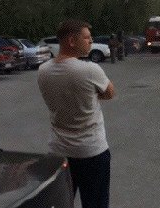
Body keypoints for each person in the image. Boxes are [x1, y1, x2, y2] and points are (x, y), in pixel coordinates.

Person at [38, 20, 115, 208]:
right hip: (91, 151)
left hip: (58, 151)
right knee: (95, 203)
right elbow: (110, 92)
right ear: (72, 41)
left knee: (62, 202)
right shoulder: (89, 70)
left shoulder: (43, 70)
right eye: (87, 37)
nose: (91, 41)